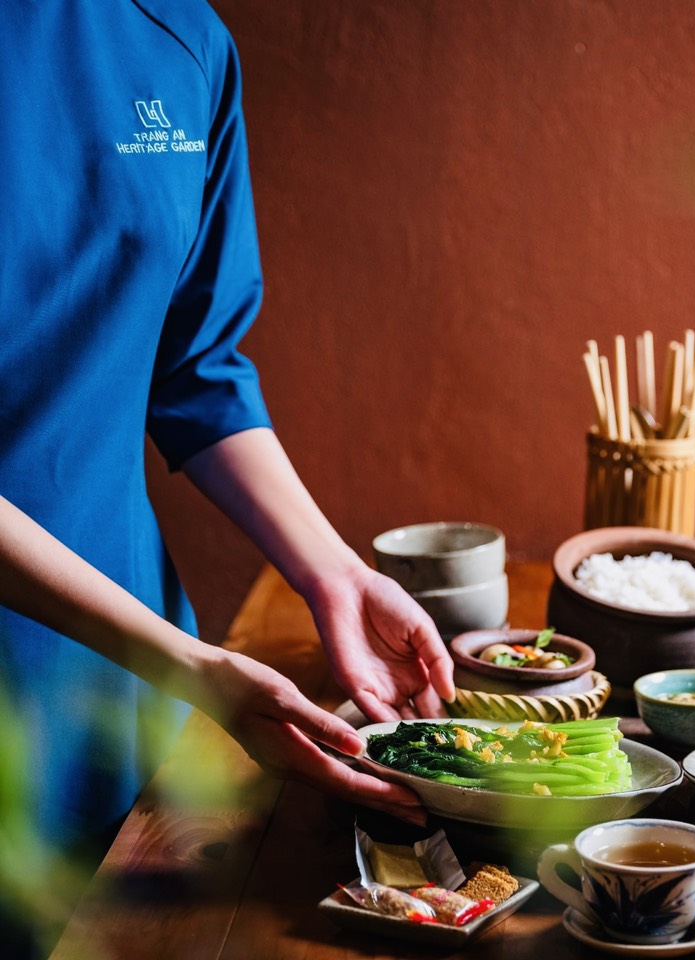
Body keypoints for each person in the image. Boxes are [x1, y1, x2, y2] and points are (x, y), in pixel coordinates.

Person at [0, 0, 453, 928]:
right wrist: (193, 666)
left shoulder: (182, 36)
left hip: (130, 696)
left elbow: (195, 365)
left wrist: (334, 573)